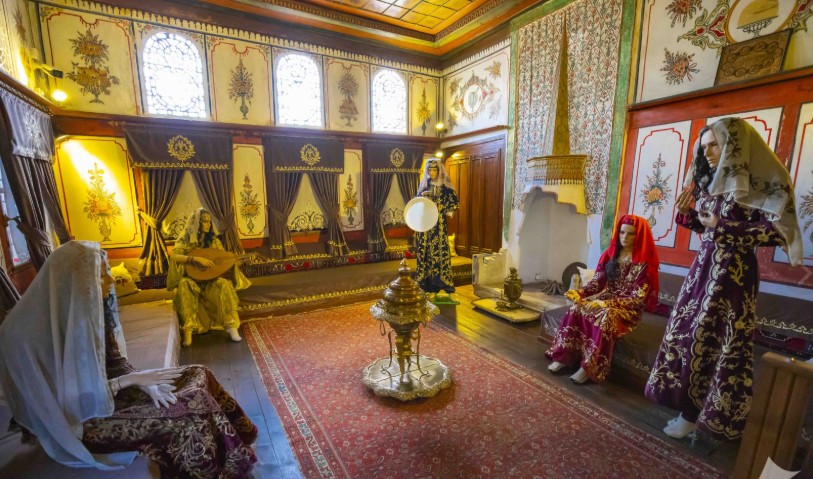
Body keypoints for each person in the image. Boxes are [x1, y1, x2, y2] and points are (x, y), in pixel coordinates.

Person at [0, 241, 257, 476]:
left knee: (198, 373)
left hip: (110, 396)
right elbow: (71, 402)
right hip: (81, 422)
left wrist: (148, 385)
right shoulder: (28, 336)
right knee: (190, 408)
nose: (110, 279)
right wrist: (132, 381)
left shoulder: (91, 311)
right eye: (102, 273)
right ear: (78, 278)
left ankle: (237, 444)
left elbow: (115, 363)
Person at [645, 118, 803, 442]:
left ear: (734, 145)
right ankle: (686, 408)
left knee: (716, 341)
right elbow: (707, 227)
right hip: (703, 269)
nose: (708, 153)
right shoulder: (711, 182)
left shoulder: (758, 184)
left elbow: (777, 232)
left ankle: (699, 417)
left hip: (734, 275)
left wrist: (723, 226)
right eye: (704, 148)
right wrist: (688, 214)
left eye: (714, 145)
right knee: (685, 334)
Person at [546, 215, 660, 384]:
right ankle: (564, 357)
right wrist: (579, 293)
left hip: (627, 308)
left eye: (631, 234)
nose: (624, 237)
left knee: (605, 317)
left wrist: (603, 303)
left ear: (639, 236)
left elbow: (637, 299)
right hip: (605, 298)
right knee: (576, 308)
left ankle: (589, 368)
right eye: (622, 232)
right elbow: (597, 283)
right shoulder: (610, 255)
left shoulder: (645, 264)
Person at [168, 207, 251, 347]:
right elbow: (174, 256)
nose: (208, 224)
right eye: (204, 221)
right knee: (183, 285)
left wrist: (238, 262)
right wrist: (195, 259)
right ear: (196, 224)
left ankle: (231, 327)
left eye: (209, 221)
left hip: (211, 280)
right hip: (191, 279)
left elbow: (223, 261)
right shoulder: (186, 240)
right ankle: (188, 331)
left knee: (224, 284)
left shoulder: (214, 241)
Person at [415, 159, 460, 303]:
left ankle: (447, 288)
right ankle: (429, 288)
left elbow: (455, 204)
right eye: (430, 170)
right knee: (426, 253)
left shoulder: (445, 187)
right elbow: (416, 203)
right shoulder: (425, 186)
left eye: (434, 169)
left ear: (439, 171)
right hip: (425, 225)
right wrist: (422, 198)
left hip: (439, 225)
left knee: (440, 253)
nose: (432, 172)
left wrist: (443, 207)